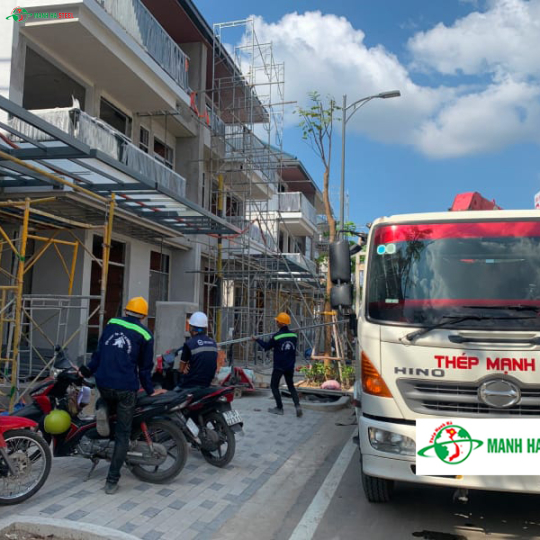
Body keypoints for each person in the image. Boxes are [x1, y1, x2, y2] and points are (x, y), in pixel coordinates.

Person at [79, 296, 165, 495]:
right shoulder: (146, 334)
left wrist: (85, 371)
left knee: (107, 401)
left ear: (126, 311)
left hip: (103, 383)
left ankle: (102, 407)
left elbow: (98, 354)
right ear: (143, 316)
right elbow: (144, 369)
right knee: (123, 435)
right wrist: (151, 390)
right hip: (126, 389)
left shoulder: (112, 323)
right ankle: (111, 481)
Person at [252, 312, 302, 417]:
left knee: (274, 386)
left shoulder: (277, 336)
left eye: (277, 321)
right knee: (291, 386)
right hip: (290, 366)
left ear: (281, 323)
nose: (276, 323)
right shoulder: (294, 335)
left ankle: (279, 408)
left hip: (279, 366)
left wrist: (257, 339)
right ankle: (297, 406)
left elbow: (266, 347)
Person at [176, 312, 218, 390]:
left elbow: (181, 369)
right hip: (207, 383)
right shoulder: (213, 343)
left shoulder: (189, 344)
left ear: (192, 329)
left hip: (191, 384)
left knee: (174, 391)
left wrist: (182, 370)